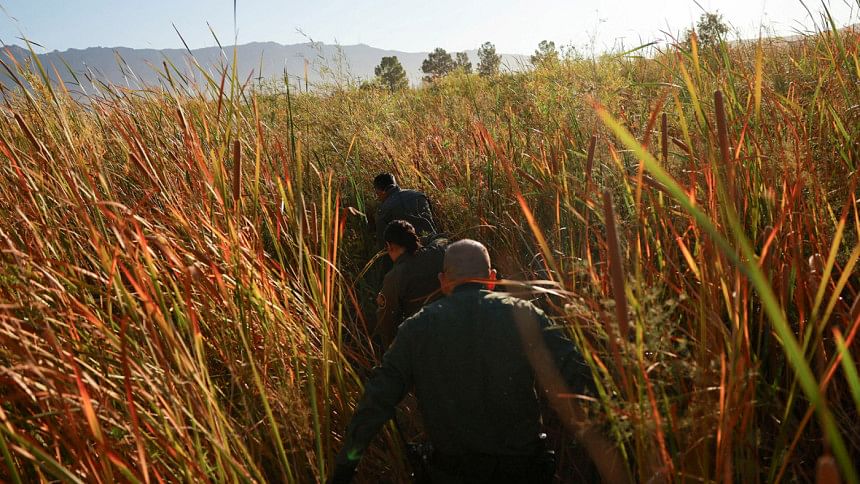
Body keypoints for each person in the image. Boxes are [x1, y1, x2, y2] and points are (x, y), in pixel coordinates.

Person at [330, 240, 629, 484]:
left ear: (443, 281)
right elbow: (581, 378)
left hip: (452, 474)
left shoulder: (417, 328)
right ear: (493, 278)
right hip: (524, 471)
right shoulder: (524, 316)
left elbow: (376, 401)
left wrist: (346, 465)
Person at [375, 220, 448, 347]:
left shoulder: (394, 276)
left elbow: (386, 322)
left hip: (424, 342)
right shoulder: (438, 252)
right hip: (453, 326)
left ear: (389, 246)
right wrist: (421, 241)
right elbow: (442, 238)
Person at [372, 173, 436, 249]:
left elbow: (383, 244)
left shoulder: (383, 210)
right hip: (435, 245)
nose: (378, 198)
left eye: (377, 193)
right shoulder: (419, 195)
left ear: (380, 191)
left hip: (411, 252)